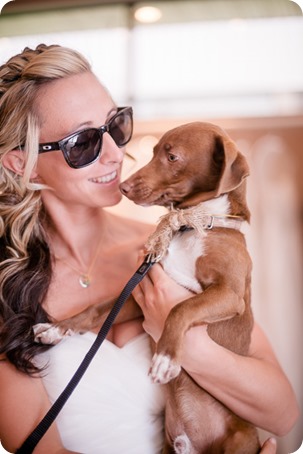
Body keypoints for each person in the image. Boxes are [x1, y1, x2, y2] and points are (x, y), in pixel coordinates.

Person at [0, 44, 299, 454]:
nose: (114, 154)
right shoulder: (8, 283)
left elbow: (281, 414)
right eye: (83, 142)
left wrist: (184, 342)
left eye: (115, 125)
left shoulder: (170, 248)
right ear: (23, 163)